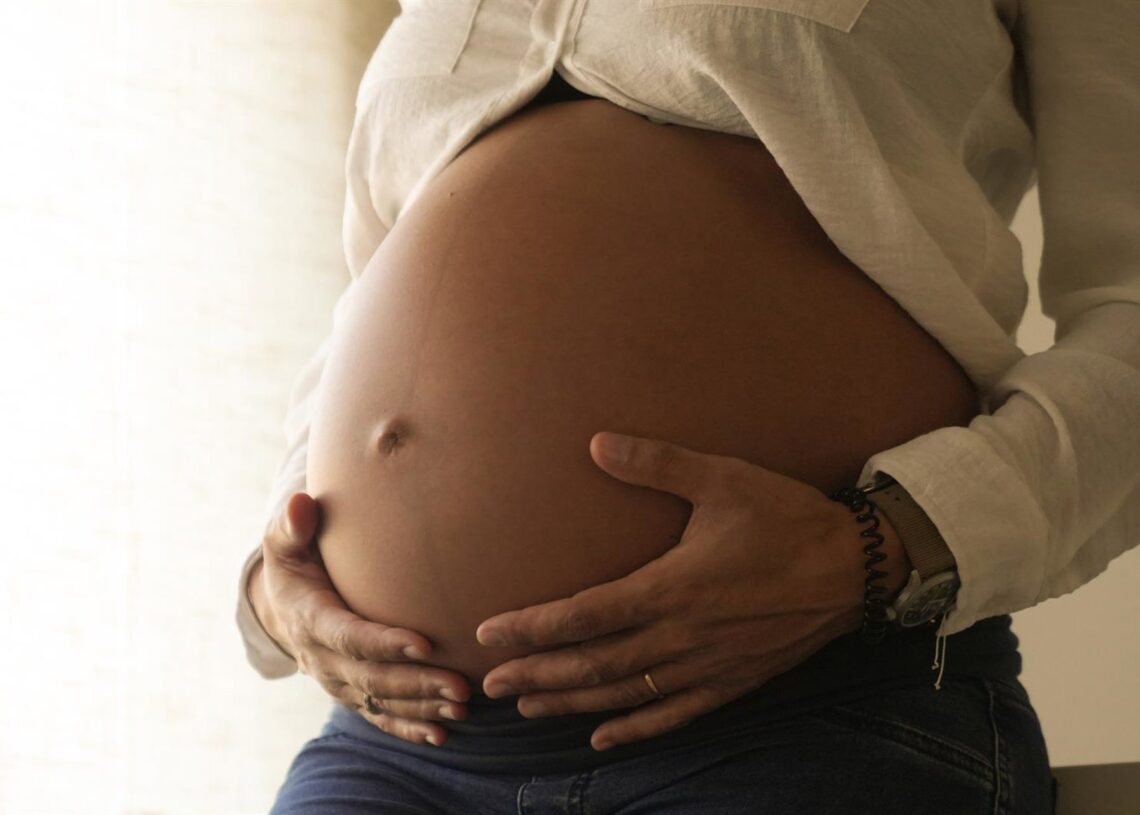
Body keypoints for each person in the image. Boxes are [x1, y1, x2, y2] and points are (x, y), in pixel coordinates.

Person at [237, 1, 1139, 812]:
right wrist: (280, 579)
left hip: (804, 719)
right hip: (401, 751)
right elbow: (375, 303)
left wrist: (889, 541)